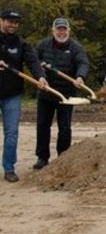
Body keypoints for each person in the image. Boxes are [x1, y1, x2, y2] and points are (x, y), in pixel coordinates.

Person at [33, 18, 89, 170]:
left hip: (66, 95)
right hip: (46, 92)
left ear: (69, 31)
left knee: (64, 128)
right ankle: (42, 157)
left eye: (64, 29)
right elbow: (33, 62)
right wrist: (39, 76)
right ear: (53, 31)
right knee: (43, 125)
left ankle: (63, 157)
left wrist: (80, 77)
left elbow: (83, 63)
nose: (61, 32)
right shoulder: (43, 45)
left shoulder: (76, 48)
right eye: (58, 29)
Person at [0, 10, 47, 181]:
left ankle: (9, 168)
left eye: (16, 22)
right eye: (9, 21)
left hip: (12, 94)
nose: (13, 25)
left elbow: (33, 61)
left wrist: (40, 77)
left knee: (11, 133)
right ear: (1, 21)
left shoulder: (21, 43)